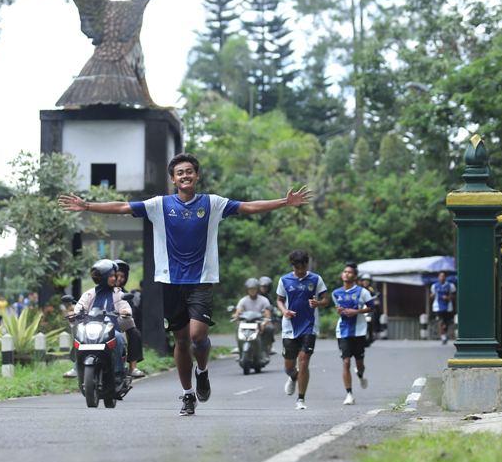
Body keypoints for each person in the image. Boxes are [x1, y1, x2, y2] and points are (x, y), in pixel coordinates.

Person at [59, 152, 312, 416]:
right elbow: (123, 207)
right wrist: (87, 206)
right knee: (181, 341)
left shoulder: (212, 203)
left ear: (197, 175)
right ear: (173, 179)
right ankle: (188, 393)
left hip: (201, 282)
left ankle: (202, 372)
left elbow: (248, 206)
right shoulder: (160, 205)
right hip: (170, 282)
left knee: (197, 336)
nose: (185, 176)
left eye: (189, 171)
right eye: (180, 172)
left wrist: (285, 202)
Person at [276, 250, 329, 410]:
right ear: (293, 266)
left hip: (309, 326)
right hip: (289, 328)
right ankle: (293, 377)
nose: (301, 271)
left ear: (307, 264)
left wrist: (318, 303)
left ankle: (301, 399)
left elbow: (326, 299)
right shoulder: (284, 280)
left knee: (304, 361)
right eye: (297, 268)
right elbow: (279, 300)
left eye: (303, 267)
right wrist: (284, 311)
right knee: (289, 367)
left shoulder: (316, 279)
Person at [70, 259, 131, 385]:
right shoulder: (89, 294)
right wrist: (75, 313)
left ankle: (118, 372)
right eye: (112, 275)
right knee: (78, 337)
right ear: (103, 278)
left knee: (119, 338)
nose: (115, 278)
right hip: (92, 329)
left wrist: (125, 311)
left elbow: (124, 305)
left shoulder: (118, 293)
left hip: (111, 330)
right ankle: (77, 367)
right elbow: (80, 307)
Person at [333, 263, 372, 405]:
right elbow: (339, 308)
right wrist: (340, 311)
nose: (346, 274)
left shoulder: (363, 292)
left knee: (359, 363)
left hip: (359, 331)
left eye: (349, 272)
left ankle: (360, 374)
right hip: (342, 331)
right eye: (344, 272)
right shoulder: (336, 293)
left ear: (355, 276)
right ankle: (349, 394)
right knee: (346, 361)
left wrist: (356, 312)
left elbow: (371, 307)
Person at [113, 259, 146, 378]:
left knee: (134, 332)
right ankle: (78, 365)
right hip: (101, 323)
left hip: (119, 324)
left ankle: (133, 367)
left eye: (122, 276)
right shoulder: (100, 291)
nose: (119, 279)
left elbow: (130, 312)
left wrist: (125, 313)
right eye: (117, 275)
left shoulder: (126, 295)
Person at [233, 277, 274, 355]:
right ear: (247, 290)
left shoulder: (264, 300)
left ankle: (266, 347)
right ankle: (239, 346)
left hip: (259, 322)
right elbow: (238, 311)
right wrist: (236, 316)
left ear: (257, 289)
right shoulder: (243, 300)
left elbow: (267, 313)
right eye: (250, 289)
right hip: (247, 322)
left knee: (270, 328)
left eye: (254, 289)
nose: (252, 291)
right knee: (237, 328)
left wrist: (264, 323)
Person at [431, 271, 457, 344]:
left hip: (448, 307)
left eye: (443, 276)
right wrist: (432, 296)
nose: (442, 278)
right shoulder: (434, 286)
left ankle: (444, 334)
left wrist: (448, 297)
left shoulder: (450, 285)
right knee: (441, 321)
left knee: (446, 323)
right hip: (437, 307)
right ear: (438, 277)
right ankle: (443, 337)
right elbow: (432, 295)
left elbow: (454, 295)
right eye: (440, 276)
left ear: (445, 277)